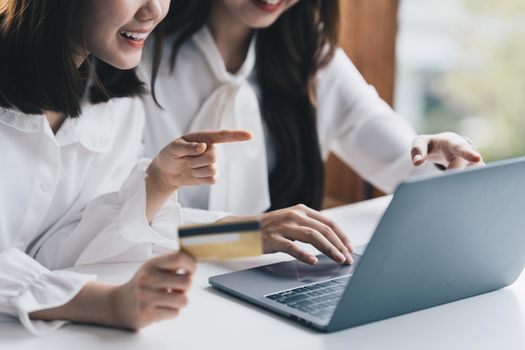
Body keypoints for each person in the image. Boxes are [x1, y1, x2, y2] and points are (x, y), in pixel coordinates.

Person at [139, 0, 484, 266]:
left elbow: (404, 162)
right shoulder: (134, 55)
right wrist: (244, 235)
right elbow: (117, 225)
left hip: (268, 284)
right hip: (156, 283)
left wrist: (446, 158)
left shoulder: (309, 55)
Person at [0, 0, 250, 334]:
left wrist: (247, 235)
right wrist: (107, 304)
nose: (156, 10)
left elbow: (63, 249)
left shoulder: (117, 104)